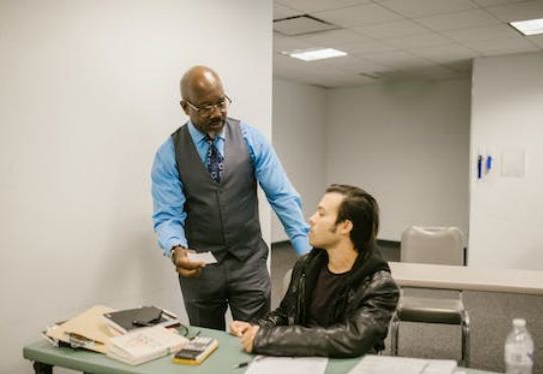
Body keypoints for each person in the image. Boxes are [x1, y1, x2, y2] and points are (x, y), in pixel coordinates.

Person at [151, 65, 310, 330]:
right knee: (206, 343)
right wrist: (176, 249)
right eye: (205, 107)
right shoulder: (169, 153)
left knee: (255, 340)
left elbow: (282, 196)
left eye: (221, 102)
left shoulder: (251, 139)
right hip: (201, 271)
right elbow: (168, 214)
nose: (217, 113)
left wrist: (307, 255)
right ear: (185, 107)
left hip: (249, 264)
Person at [230, 184, 400, 357]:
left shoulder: (380, 286)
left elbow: (353, 338)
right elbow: (285, 314)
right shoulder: (306, 265)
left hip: (347, 368)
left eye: (321, 213)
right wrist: (258, 329)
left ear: (345, 226)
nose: (311, 219)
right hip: (302, 360)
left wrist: (269, 339)